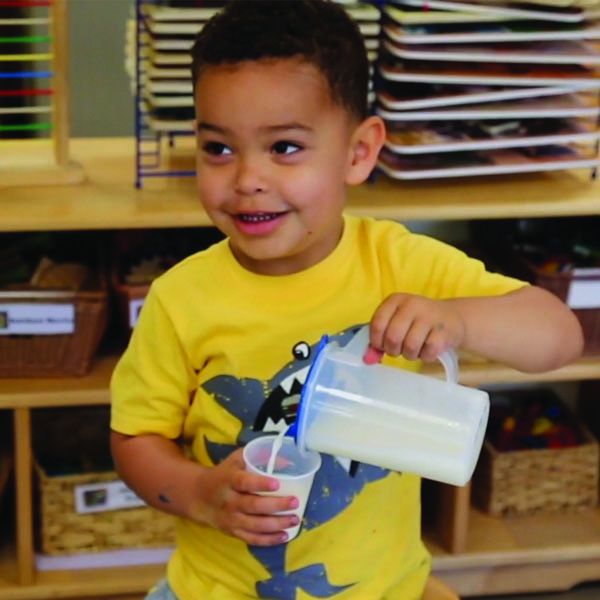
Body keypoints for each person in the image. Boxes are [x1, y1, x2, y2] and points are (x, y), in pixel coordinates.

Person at [110, 1, 584, 598]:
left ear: (359, 152)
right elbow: (135, 438)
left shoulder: (401, 263)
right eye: (218, 149)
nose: (247, 178)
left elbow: (559, 336)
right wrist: (198, 493)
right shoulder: (180, 298)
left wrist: (458, 318)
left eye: (284, 147)